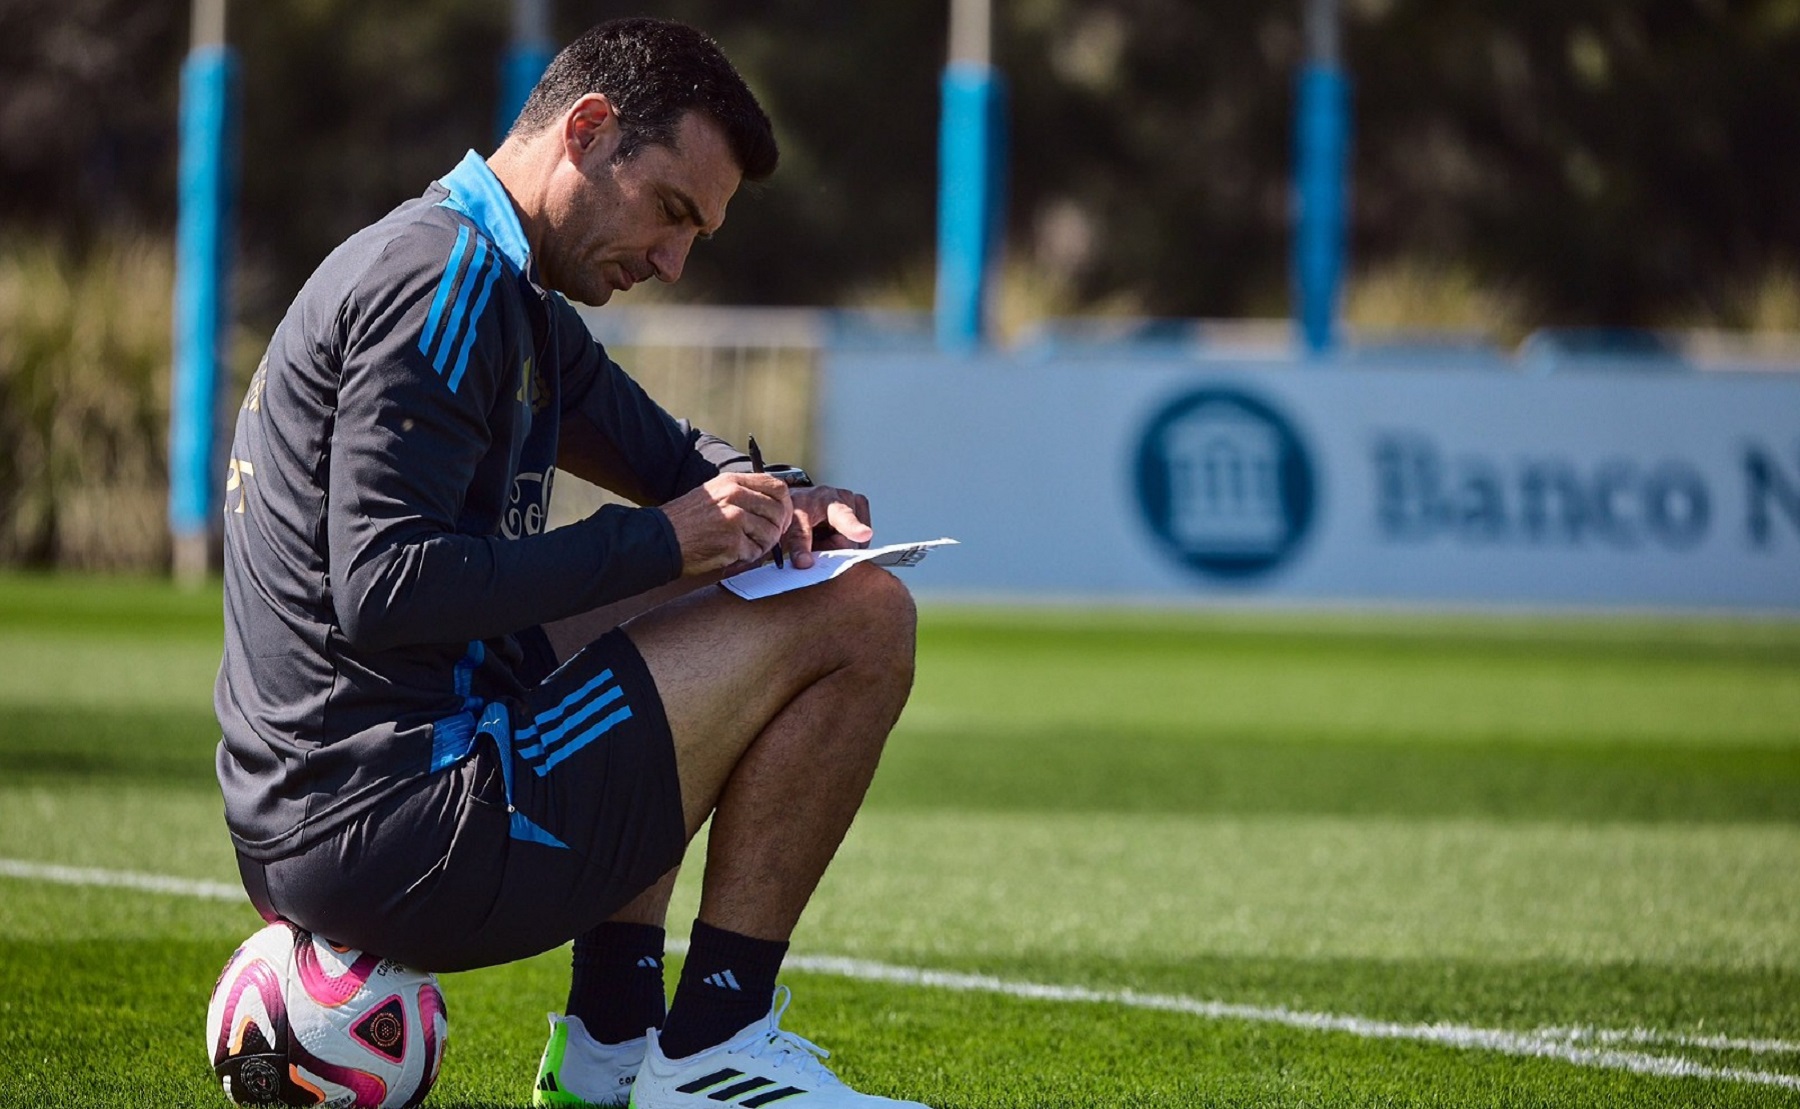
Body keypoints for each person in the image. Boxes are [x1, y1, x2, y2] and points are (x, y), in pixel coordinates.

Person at [214, 17, 925, 1109]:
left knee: (721, 578)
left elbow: (658, 450)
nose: (675, 261)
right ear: (589, 131)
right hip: (400, 823)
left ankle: (611, 1049)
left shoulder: (496, 284)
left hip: (335, 812)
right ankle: (716, 1051)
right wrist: (673, 535)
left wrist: (781, 500)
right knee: (863, 615)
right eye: (673, 212)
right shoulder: (444, 283)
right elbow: (385, 585)